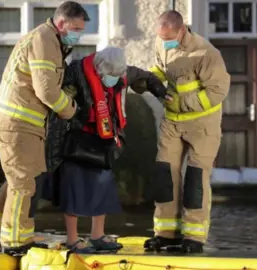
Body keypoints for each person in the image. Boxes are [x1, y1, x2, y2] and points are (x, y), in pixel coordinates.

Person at [0, 1, 89, 256]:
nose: (79, 34)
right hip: (18, 123)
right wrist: (71, 110)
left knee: (25, 177)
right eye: (76, 28)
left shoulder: (51, 40)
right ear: (61, 23)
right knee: (23, 183)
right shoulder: (45, 40)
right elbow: (46, 90)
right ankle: (15, 242)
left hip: (27, 124)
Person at [44, 46, 169, 254]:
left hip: (103, 139)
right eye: (110, 76)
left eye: (118, 75)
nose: (114, 79)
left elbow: (145, 77)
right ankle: (73, 239)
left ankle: (97, 236)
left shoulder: (121, 72)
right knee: (73, 190)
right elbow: (62, 102)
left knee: (102, 188)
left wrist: (161, 93)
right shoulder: (77, 71)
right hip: (76, 139)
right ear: (99, 69)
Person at [144, 10, 230, 253]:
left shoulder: (206, 53)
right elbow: (161, 68)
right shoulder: (162, 42)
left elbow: (217, 92)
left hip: (202, 124)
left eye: (168, 37)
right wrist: (149, 79)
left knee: (195, 179)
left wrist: (182, 104)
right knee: (165, 176)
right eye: (161, 37)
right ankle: (165, 234)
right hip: (172, 122)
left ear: (181, 30)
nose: (164, 41)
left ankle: (194, 238)